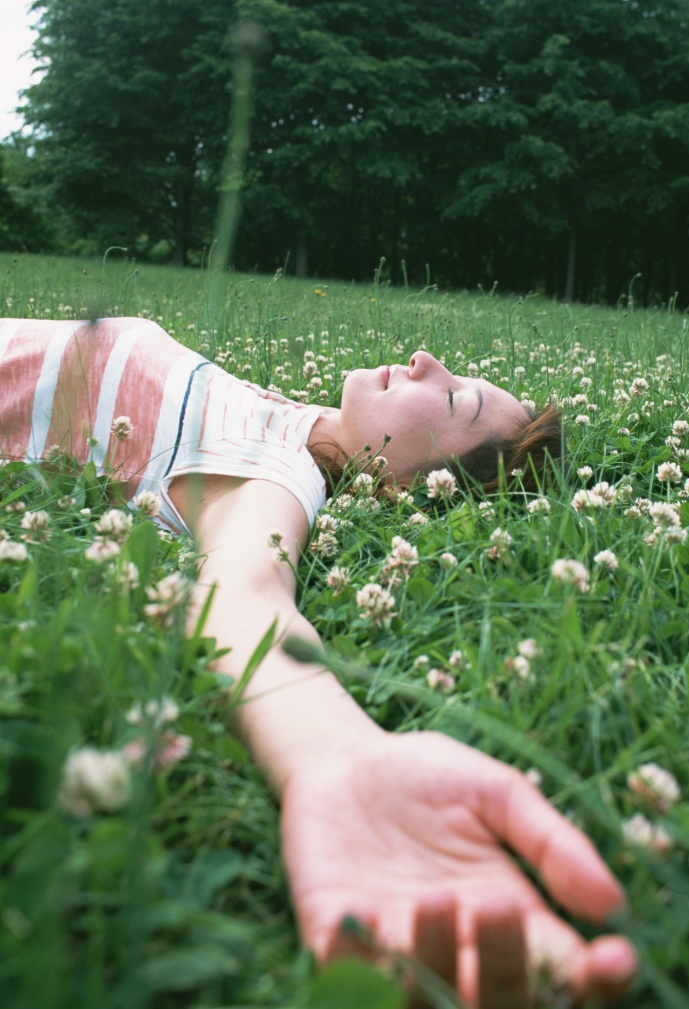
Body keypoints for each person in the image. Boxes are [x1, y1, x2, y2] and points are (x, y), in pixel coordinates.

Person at [0, 316, 637, 1008]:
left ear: (406, 487)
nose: (427, 359)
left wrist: (341, 757)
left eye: (455, 400)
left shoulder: (279, 479)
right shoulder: (295, 421)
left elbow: (243, 597)